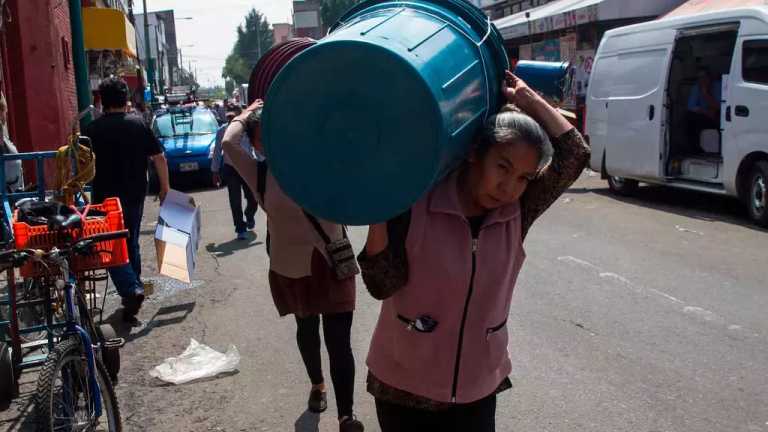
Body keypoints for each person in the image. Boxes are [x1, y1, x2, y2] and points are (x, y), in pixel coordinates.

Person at [358, 72, 590, 431]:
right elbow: (381, 285)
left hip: (477, 387)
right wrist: (380, 213)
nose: (510, 187)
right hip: (404, 387)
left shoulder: (518, 211)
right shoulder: (417, 199)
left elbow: (575, 153)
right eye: (503, 167)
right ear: (473, 155)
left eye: (524, 178)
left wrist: (527, 98)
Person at [222, 100, 365, 432]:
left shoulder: (322, 160)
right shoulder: (259, 171)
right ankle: (317, 386)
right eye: (259, 137)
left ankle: (346, 415)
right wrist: (247, 114)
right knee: (306, 329)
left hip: (332, 260)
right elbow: (229, 142)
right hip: (292, 267)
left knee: (339, 340)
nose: (266, 142)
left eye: (271, 133)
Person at [84, 77, 171, 326]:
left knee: (109, 245)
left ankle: (131, 290)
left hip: (104, 199)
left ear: (101, 100)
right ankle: (133, 291)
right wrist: (165, 188)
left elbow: (80, 165)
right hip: (134, 194)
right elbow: (159, 158)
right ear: (126, 99)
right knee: (130, 239)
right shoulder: (138, 124)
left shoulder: (92, 129)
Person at [211, 106, 259, 240]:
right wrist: (215, 171)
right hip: (230, 169)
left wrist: (260, 164)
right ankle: (240, 227)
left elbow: (256, 146)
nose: (231, 120)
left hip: (247, 166)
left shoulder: (248, 128)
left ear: (240, 116)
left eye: (233, 117)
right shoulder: (222, 131)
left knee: (253, 198)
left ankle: (249, 215)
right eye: (228, 117)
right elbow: (217, 152)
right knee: (235, 200)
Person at [686, 67, 721, 153]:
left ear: (709, 77)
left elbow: (719, 106)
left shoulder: (719, 85)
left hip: (719, 115)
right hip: (705, 115)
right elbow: (691, 106)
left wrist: (706, 94)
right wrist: (705, 111)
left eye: (704, 77)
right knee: (689, 118)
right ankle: (695, 150)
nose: (702, 80)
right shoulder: (696, 87)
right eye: (700, 78)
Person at [0, 91, 23, 192]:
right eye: (5, 112)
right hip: (7, 193)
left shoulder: (3, 133)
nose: (6, 115)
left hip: (13, 190)